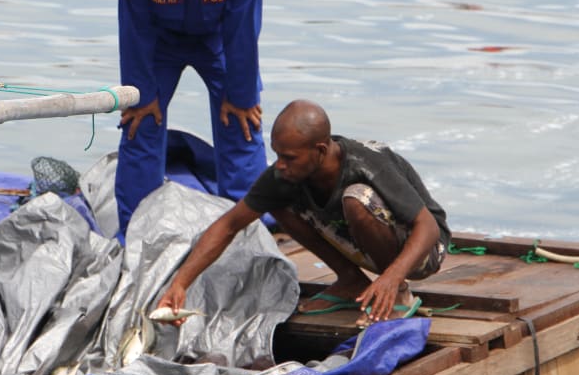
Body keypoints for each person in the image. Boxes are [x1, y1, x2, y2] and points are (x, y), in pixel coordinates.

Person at [157, 99, 450, 327]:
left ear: (320, 150)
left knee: (356, 199)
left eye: (289, 157)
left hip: (423, 251)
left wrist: (391, 277)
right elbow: (228, 225)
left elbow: (428, 227)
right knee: (278, 200)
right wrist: (180, 284)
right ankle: (351, 280)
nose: (280, 164)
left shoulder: (367, 163)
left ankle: (398, 293)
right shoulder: (286, 173)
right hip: (365, 240)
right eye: (277, 154)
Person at [116, 0, 267, 241]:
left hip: (218, 40)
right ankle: (137, 231)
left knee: (242, 121)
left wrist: (241, 95)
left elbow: (243, 32)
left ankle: (248, 226)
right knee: (141, 122)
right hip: (159, 44)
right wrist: (141, 93)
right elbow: (134, 32)